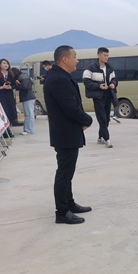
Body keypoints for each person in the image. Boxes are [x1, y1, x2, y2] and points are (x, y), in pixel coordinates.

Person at [44, 45, 94, 224]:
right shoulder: (58, 79)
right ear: (65, 59)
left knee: (68, 171)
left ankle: (69, 203)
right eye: (75, 56)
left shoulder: (61, 76)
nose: (77, 60)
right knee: (64, 173)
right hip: (65, 133)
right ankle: (62, 212)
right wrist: (88, 119)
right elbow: (70, 108)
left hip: (67, 132)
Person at [83, 47, 117, 148]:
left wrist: (113, 84)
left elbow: (114, 79)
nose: (107, 57)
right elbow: (86, 82)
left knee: (106, 118)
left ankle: (100, 137)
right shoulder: (90, 68)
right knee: (101, 118)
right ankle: (107, 139)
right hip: (98, 96)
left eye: (108, 55)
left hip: (108, 94)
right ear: (98, 55)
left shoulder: (110, 68)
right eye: (104, 55)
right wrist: (98, 86)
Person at [0, 58, 19, 132]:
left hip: (9, 96)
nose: (6, 65)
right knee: (4, 112)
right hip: (1, 96)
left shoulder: (11, 74)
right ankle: (4, 131)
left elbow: (15, 85)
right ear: (0, 65)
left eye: (7, 63)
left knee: (11, 112)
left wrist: (11, 87)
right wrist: (1, 87)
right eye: (4, 63)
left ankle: (9, 129)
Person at [12, 67, 37, 135]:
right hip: (28, 97)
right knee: (29, 114)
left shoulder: (22, 77)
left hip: (27, 97)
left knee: (29, 114)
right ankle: (28, 129)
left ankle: (28, 129)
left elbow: (25, 87)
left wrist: (15, 87)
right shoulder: (24, 76)